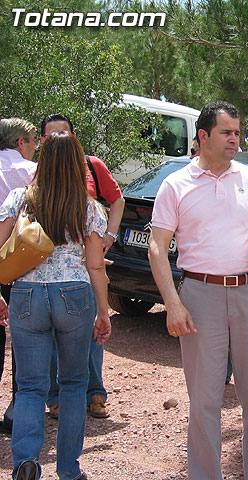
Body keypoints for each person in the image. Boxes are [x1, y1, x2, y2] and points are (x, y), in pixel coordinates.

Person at [148, 100, 248, 480]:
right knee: (204, 402)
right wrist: (172, 305)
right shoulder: (175, 185)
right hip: (199, 296)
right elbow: (158, 247)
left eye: (238, 133)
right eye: (227, 133)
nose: (235, 140)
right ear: (203, 136)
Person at [0, 131, 111, 480]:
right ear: (78, 165)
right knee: (74, 384)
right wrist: (104, 311)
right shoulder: (90, 208)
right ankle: (68, 470)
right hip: (74, 294)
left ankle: (26, 463)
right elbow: (95, 265)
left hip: (26, 294)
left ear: (43, 162)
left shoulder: (20, 199)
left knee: (31, 385)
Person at [40, 113, 125, 420]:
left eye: (65, 134)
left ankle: (95, 394)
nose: (60, 140)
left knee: (92, 332)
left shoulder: (92, 165)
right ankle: (56, 397)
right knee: (47, 337)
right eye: (52, 136)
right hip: (47, 274)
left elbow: (117, 200)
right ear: (41, 143)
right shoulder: (36, 175)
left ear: (75, 138)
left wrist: (108, 237)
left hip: (86, 269)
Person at [0, 118, 38, 435]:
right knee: (24, 338)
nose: (36, 147)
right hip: (17, 263)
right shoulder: (29, 172)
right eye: (33, 141)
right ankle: (17, 411)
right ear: (20, 143)